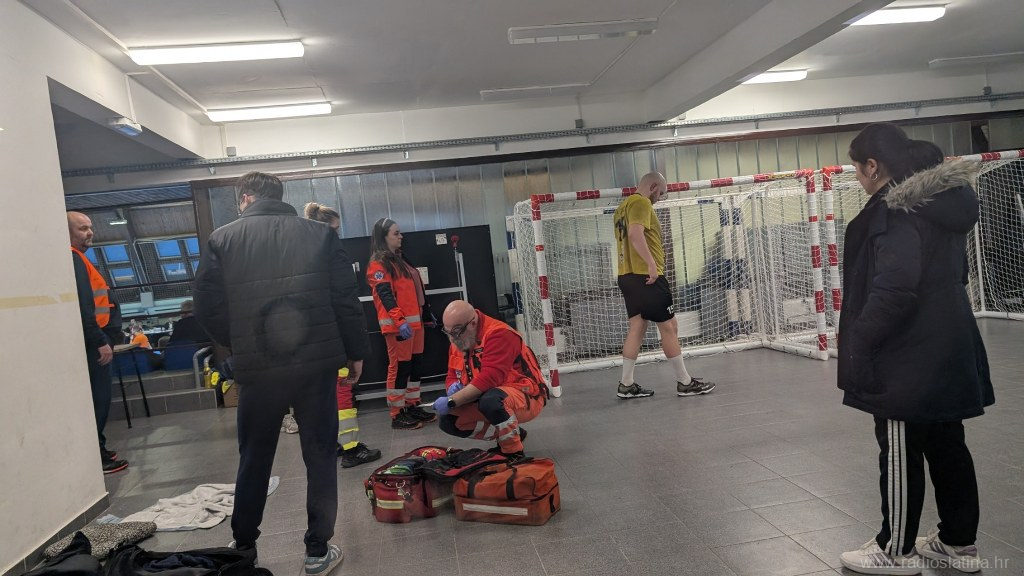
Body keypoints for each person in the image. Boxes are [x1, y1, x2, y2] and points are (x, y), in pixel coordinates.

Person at [836, 123, 994, 575]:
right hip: (948, 342)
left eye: (858, 169)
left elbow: (895, 288)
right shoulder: (939, 206)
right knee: (947, 444)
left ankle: (895, 550)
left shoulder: (896, 212)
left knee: (901, 446)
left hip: (908, 353)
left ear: (873, 166)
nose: (858, 178)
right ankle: (957, 543)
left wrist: (859, 339)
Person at [193, 172, 368, 575]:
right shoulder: (320, 235)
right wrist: (356, 352)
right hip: (316, 364)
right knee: (320, 454)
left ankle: (243, 546)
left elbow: (205, 304)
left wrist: (238, 341)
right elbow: (345, 298)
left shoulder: (222, 239)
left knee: (254, 456)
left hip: (258, 369)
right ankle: (317, 550)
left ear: (245, 198)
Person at [612, 172, 715, 399]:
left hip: (626, 276)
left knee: (637, 327)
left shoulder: (621, 208)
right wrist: (651, 264)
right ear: (653, 186)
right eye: (660, 193)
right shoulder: (641, 202)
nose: (659, 198)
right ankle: (685, 383)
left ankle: (626, 384)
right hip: (647, 277)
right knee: (669, 327)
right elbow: (635, 234)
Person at [304, 201, 382, 468]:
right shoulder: (332, 256)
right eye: (335, 229)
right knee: (342, 393)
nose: (338, 235)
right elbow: (346, 304)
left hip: (307, 345)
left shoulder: (299, 256)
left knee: (321, 399)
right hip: (332, 340)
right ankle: (351, 449)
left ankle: (335, 444)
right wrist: (357, 351)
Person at [430, 300, 547, 459]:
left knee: (491, 401)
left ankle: (513, 452)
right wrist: (452, 387)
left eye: (456, 331)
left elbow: (489, 378)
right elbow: (452, 375)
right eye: (448, 332)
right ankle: (514, 431)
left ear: (472, 323)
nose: (452, 338)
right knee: (448, 420)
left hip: (526, 396)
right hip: (491, 396)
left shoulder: (500, 334)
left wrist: (452, 400)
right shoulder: (458, 340)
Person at [68, 211, 129, 474]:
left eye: (90, 227)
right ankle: (97, 456)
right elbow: (85, 307)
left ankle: (99, 448)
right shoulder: (73, 259)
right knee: (98, 399)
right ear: (67, 233)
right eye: (82, 228)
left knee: (99, 399)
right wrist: (99, 341)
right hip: (95, 343)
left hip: (98, 339)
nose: (90, 232)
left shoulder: (80, 259)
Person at [366, 217, 437, 430]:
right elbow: (385, 294)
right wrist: (400, 321)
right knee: (400, 368)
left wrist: (426, 314)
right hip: (399, 326)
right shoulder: (378, 263)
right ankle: (397, 414)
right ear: (384, 237)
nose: (401, 236)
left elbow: (414, 291)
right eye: (396, 233)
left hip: (415, 324)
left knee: (415, 366)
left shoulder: (400, 259)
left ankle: (412, 405)